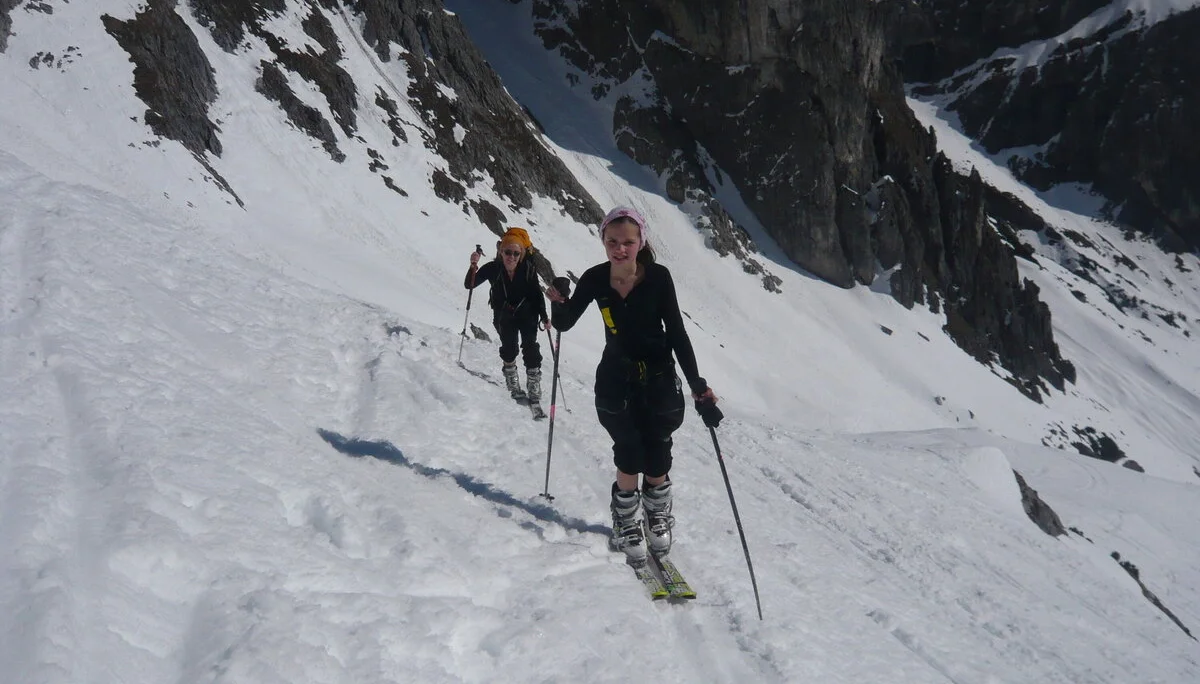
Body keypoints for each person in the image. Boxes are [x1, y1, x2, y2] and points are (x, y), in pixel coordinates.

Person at [546, 206, 721, 562]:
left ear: (641, 241)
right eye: (612, 241)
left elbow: (677, 333)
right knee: (628, 452)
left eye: (628, 242)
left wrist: (698, 385)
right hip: (615, 379)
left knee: (657, 454)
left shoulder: (658, 277)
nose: (619, 249)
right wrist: (559, 302)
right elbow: (565, 323)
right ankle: (627, 522)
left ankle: (656, 518)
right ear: (603, 241)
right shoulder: (595, 278)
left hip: (658, 379)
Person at [464, 227, 550, 402]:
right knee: (509, 348)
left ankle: (533, 382)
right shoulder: (492, 269)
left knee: (530, 347)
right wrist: (473, 265)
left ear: (521, 254)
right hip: (504, 314)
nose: (511, 257)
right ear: (500, 252)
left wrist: (544, 316)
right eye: (507, 252)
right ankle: (513, 382)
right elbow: (469, 284)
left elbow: (536, 294)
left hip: (528, 313)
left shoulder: (528, 269)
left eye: (516, 253)